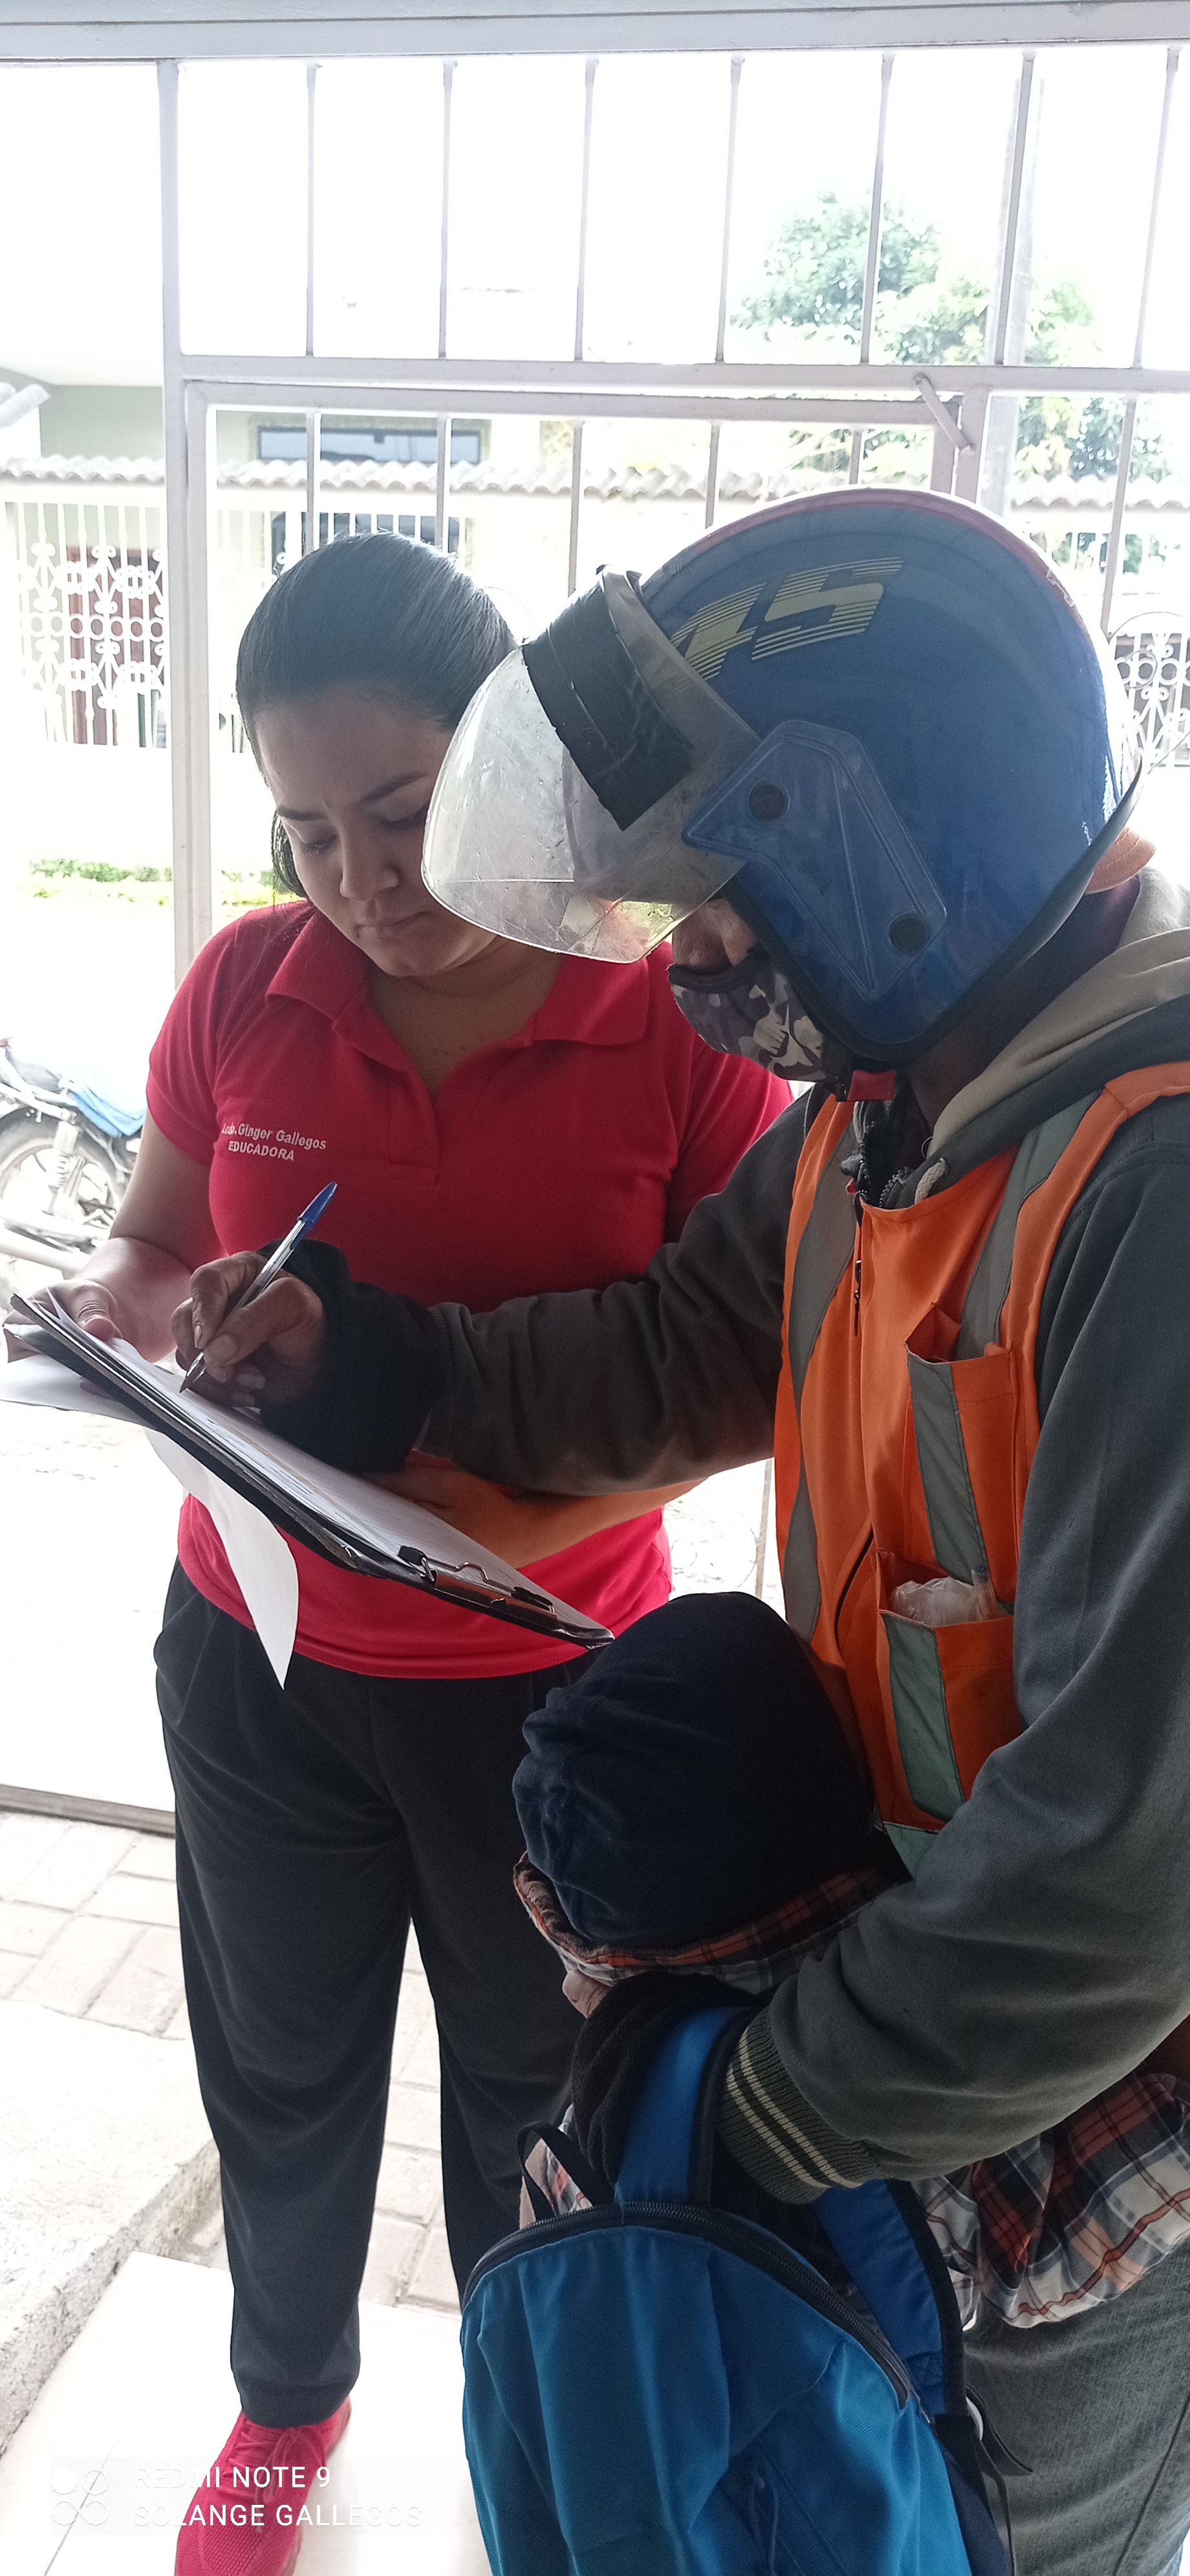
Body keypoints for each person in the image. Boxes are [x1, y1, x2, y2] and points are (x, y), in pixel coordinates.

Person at [182, 489, 1190, 2576]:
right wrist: (376, 1367)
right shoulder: (893, 1111)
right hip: (902, 2008)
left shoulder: (1149, 1184)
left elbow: (1123, 1866)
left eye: (724, 890)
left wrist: (748, 2117)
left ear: (898, 843)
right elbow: (676, 1344)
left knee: (1005, 2530)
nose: (693, 953)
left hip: (1075, 2109)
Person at [22, 533, 785, 2576]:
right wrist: (127, 1309)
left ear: (506, 764)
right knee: (280, 2064)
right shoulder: (247, 990)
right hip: (259, 1653)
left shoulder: (675, 1024)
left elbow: (743, 1371)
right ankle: (288, 2405)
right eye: (304, 834)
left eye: (401, 810)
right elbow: (155, 1236)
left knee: (532, 2101)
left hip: (548, 1686)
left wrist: (491, 1523)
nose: (359, 880)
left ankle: (518, 2430)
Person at [509, 1591, 1190, 2335]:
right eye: (839, 1695)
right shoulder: (884, 2081)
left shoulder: (615, 2070)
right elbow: (1045, 2251)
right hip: (930, 2393)